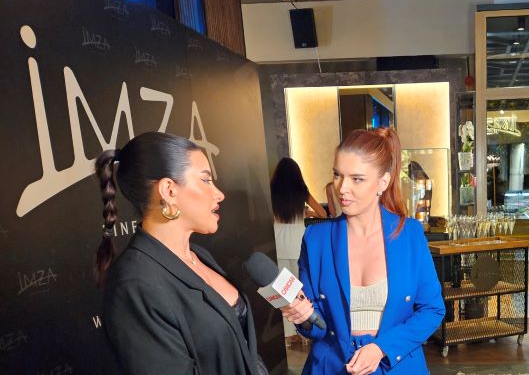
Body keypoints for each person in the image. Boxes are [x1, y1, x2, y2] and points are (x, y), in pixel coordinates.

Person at [94, 132, 268, 375]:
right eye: (205, 180)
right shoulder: (135, 285)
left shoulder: (200, 256)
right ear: (169, 190)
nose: (219, 194)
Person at [280, 128, 445, 374]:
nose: (342, 188)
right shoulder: (316, 239)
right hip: (332, 366)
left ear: (383, 182)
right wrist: (304, 317)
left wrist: (381, 348)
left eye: (357, 179)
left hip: (395, 364)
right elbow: (317, 328)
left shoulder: (409, 234)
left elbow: (432, 309)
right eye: (337, 175)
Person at [270, 157, 326, 347]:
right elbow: (323, 213)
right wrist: (306, 213)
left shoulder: (271, 191)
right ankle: (303, 331)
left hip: (277, 241)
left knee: (281, 290)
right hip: (297, 241)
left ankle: (287, 334)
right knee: (299, 290)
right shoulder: (301, 191)